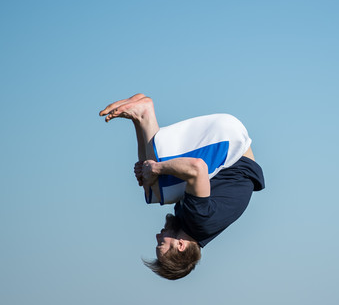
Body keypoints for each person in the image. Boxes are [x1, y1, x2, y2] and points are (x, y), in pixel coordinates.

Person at [99, 94, 265, 280]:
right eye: (162, 244)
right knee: (160, 185)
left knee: (153, 192)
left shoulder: (192, 224)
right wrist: (156, 168)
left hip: (230, 149)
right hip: (231, 144)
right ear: (180, 245)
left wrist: (148, 173)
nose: (157, 237)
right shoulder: (198, 221)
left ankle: (137, 118)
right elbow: (197, 168)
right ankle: (143, 114)